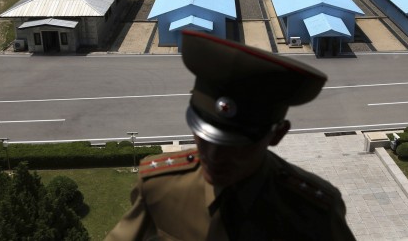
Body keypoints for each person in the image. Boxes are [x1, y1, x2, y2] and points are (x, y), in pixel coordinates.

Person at [106, 30, 355, 241]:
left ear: (277, 135)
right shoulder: (159, 187)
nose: (214, 156)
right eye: (206, 136)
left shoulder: (312, 212)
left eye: (236, 145)